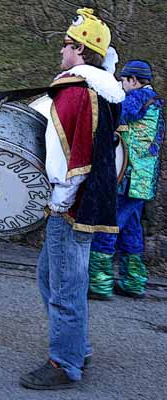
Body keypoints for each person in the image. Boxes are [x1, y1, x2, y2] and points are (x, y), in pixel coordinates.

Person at [19, 8, 125, 390]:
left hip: (69, 206)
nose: (61, 51)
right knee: (51, 277)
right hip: (86, 202)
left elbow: (68, 154)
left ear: (79, 50)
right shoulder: (101, 89)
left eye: (66, 45)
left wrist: (59, 200)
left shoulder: (73, 91)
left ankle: (64, 362)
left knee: (64, 285)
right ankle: (75, 345)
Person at [89, 60, 165, 300]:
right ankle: (133, 282)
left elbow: (116, 111)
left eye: (123, 81)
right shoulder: (157, 104)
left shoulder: (136, 97)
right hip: (144, 180)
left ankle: (99, 283)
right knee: (131, 228)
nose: (121, 85)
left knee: (108, 225)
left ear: (133, 80)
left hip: (127, 176)